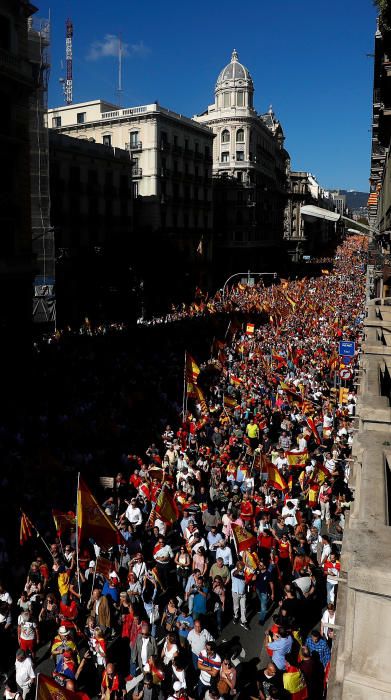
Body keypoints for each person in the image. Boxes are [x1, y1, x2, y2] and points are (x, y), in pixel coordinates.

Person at [231, 561, 249, 630]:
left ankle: (243, 621)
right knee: (236, 606)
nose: (243, 568)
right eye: (242, 567)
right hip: (235, 592)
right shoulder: (233, 571)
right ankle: (236, 616)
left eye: (243, 566)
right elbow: (234, 574)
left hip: (243, 593)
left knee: (243, 607)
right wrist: (239, 569)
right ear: (237, 566)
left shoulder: (245, 572)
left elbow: (248, 577)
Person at [256, 560, 274, 625]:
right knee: (262, 602)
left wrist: (272, 593)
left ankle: (261, 620)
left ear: (265, 567)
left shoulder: (268, 574)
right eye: (259, 564)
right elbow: (253, 579)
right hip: (258, 590)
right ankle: (264, 604)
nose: (259, 566)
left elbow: (271, 584)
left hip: (264, 592)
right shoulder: (257, 571)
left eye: (261, 565)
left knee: (263, 607)